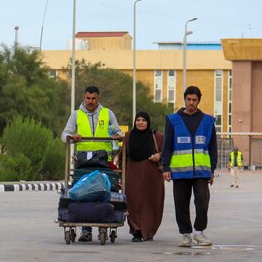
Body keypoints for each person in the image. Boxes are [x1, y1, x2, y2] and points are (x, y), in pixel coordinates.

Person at [61, 86, 123, 242]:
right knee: (83, 193)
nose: (90, 101)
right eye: (88, 98)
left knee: (103, 192)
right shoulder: (76, 115)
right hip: (83, 162)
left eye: (93, 98)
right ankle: (86, 230)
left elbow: (119, 133)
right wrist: (72, 136)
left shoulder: (107, 114)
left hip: (103, 162)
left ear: (98, 98)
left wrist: (117, 136)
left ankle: (103, 225)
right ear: (84, 98)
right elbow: (64, 135)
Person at [161, 86, 217, 247]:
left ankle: (199, 232)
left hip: (201, 171)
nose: (191, 103)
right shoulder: (173, 120)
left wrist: (212, 170)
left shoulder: (208, 121)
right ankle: (186, 234)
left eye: (194, 100)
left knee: (202, 201)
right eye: (188, 99)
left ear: (199, 100)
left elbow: (212, 147)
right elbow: (167, 145)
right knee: (181, 203)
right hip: (179, 172)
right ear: (184, 99)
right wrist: (166, 167)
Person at [123, 111, 165, 242]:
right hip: (133, 175)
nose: (140, 122)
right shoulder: (129, 136)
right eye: (138, 120)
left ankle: (149, 230)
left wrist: (159, 155)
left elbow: (166, 151)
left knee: (151, 202)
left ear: (148, 122)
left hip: (152, 177)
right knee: (133, 201)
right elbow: (123, 155)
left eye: (143, 120)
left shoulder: (157, 136)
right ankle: (136, 231)